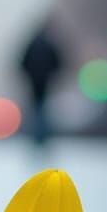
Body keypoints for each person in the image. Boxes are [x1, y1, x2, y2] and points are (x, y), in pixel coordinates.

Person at [18, 17, 64, 145]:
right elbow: (58, 62)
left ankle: (38, 137)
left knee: (37, 111)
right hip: (45, 84)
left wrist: (28, 76)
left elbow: (21, 63)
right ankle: (42, 137)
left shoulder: (32, 44)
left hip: (34, 84)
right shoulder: (49, 44)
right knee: (43, 111)